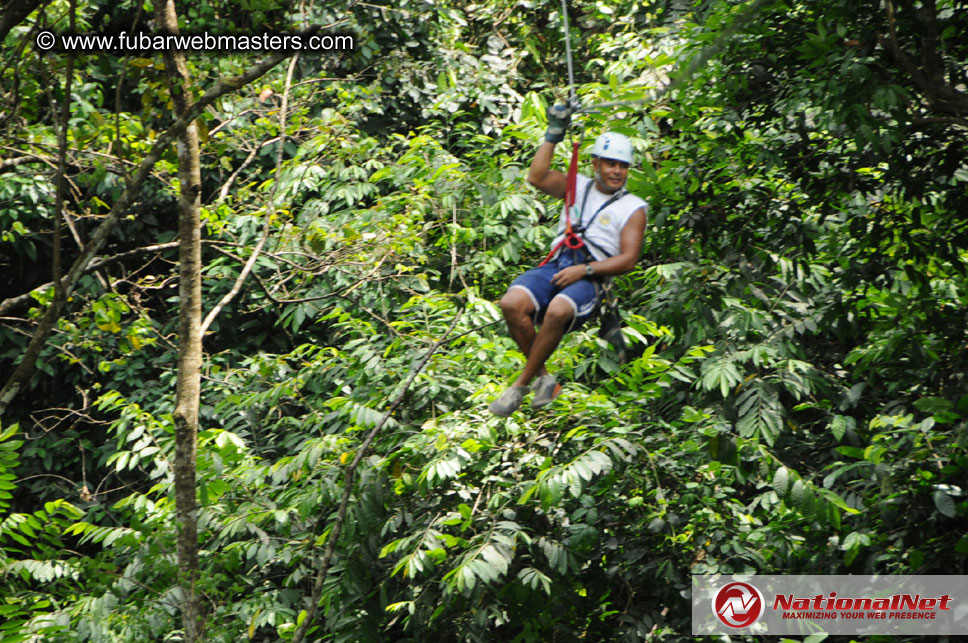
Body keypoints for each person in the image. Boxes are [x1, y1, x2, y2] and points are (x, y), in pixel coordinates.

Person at [488, 101, 648, 416]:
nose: (617, 171)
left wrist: (584, 270)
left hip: (592, 277)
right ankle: (544, 379)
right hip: (559, 263)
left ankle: (519, 386)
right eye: (610, 164)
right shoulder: (577, 185)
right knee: (511, 304)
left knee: (558, 310)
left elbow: (629, 260)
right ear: (595, 164)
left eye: (622, 166)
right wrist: (553, 134)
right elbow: (536, 177)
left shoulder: (633, 208)